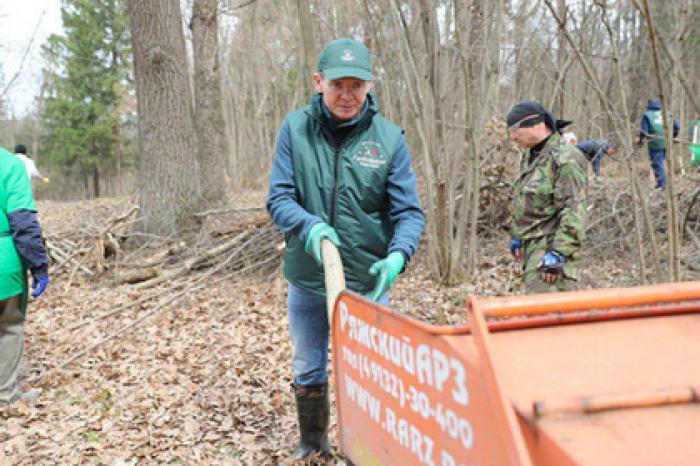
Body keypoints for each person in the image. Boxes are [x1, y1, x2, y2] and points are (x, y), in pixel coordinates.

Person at [266, 37, 424, 460]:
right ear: (319, 81)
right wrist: (310, 227)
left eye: (357, 85)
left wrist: (398, 256)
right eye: (338, 84)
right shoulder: (295, 129)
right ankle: (313, 443)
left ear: (370, 86)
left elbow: (410, 213)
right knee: (309, 365)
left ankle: (366, 449)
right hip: (307, 278)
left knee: (370, 374)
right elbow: (279, 198)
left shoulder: (389, 139)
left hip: (366, 283)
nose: (347, 94)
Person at [506, 100, 588, 293]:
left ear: (537, 124)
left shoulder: (565, 157)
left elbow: (574, 209)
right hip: (532, 250)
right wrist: (518, 235)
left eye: (516, 129)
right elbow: (527, 200)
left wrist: (558, 253)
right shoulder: (530, 156)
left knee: (550, 319)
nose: (512, 136)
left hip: (551, 254)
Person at [0, 146, 50, 405]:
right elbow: (23, 223)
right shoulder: (9, 164)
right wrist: (39, 267)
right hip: (5, 264)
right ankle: (4, 396)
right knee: (9, 327)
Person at [635, 99, 680, 190]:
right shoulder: (666, 112)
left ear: (649, 105)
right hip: (666, 142)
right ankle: (661, 184)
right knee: (660, 163)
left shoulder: (647, 115)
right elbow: (677, 127)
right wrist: (673, 136)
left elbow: (644, 131)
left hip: (655, 142)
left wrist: (640, 140)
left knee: (657, 164)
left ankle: (663, 186)